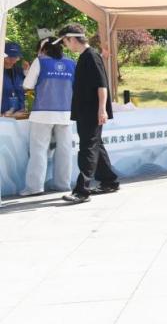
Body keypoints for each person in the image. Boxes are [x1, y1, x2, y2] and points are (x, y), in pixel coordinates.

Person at [59, 24, 117, 204]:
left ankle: (81, 191)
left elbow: (102, 85)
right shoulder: (85, 56)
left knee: (87, 149)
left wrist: (102, 109)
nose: (65, 45)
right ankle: (109, 181)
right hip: (85, 111)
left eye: (65, 42)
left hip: (92, 112)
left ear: (71, 39)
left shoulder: (91, 56)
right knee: (95, 145)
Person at [21, 38, 75, 196]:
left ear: (43, 49)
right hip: (66, 113)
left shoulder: (40, 61)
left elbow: (27, 85)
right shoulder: (71, 63)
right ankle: (63, 185)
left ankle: (34, 187)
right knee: (64, 150)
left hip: (42, 113)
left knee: (38, 150)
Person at [2, 42, 27, 116]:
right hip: (3, 116)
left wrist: (27, 73)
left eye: (16, 57)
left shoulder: (20, 71)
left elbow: (27, 89)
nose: (13, 60)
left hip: (19, 115)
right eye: (10, 57)